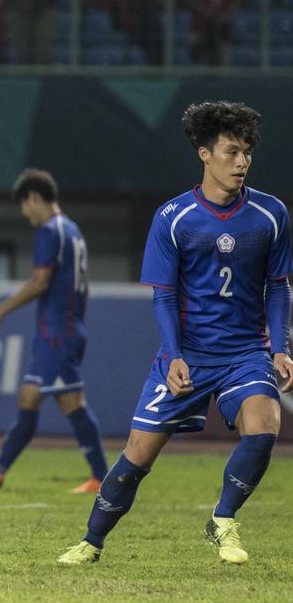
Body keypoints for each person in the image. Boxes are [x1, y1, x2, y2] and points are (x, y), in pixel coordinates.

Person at [58, 101, 293, 565]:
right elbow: (164, 296)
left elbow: (278, 287)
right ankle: (91, 541)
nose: (241, 162)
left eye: (247, 152)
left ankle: (223, 520)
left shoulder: (271, 214)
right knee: (137, 457)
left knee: (265, 424)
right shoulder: (173, 218)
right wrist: (174, 354)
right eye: (231, 151)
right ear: (205, 153)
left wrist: (281, 348)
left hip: (245, 352)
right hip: (188, 354)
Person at [0, 169, 108, 494]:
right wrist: (75, 323)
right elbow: (83, 284)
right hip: (63, 329)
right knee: (29, 397)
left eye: (25, 206)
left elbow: (40, 281)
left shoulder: (48, 232)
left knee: (72, 403)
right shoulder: (73, 230)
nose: (25, 213)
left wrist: (1, 309)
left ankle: (102, 478)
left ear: (35, 198)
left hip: (57, 333)